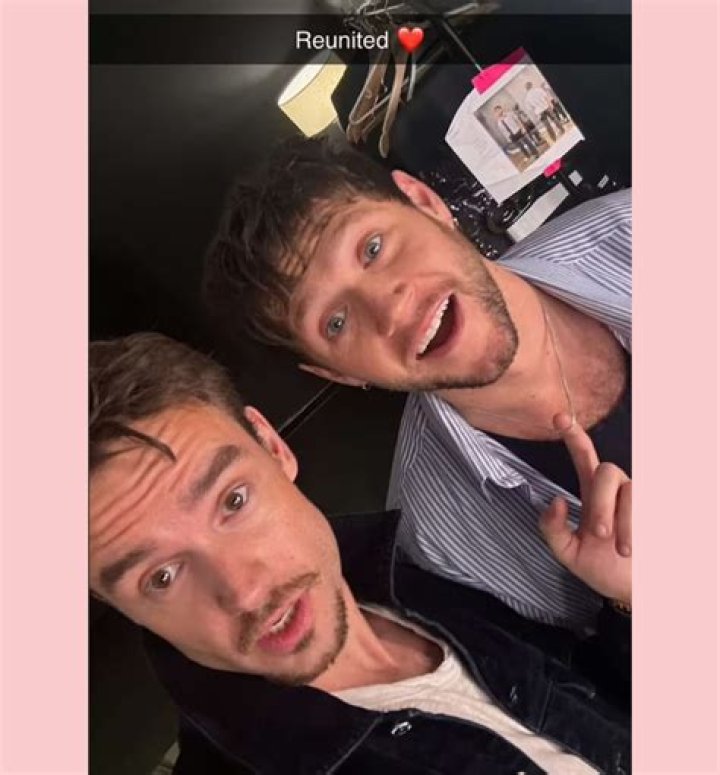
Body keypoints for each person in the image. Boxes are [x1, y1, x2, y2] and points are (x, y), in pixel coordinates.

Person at [89, 333, 631, 775]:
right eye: (162, 577)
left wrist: (627, 600)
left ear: (273, 447)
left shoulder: (420, 572)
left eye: (233, 501)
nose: (246, 591)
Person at [202, 138, 631, 631]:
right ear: (339, 374)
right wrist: (628, 602)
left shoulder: (633, 229)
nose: (389, 310)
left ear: (426, 203)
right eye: (336, 323)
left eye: (373, 248)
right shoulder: (438, 545)